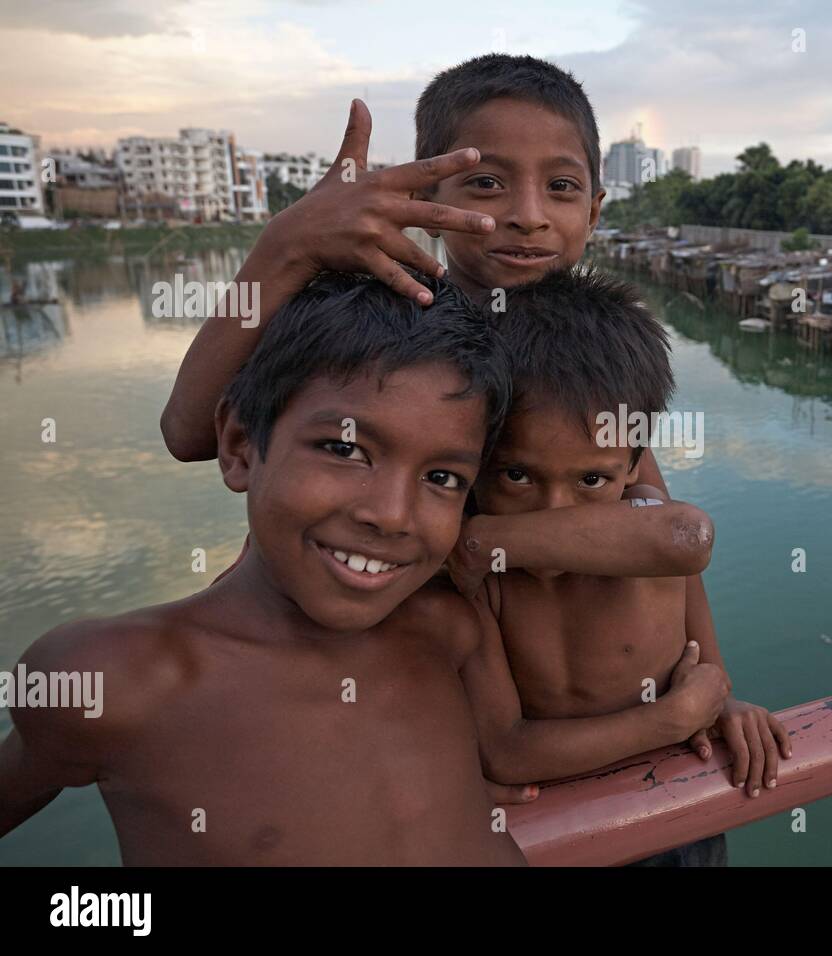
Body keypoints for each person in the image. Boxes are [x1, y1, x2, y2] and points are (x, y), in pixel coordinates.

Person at [0, 273, 525, 865]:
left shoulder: (445, 630)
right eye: (344, 449)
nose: (392, 515)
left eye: (442, 478)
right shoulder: (113, 681)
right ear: (240, 443)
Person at [447, 269, 792, 866]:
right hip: (554, 832)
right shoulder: (478, 585)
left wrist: (718, 704)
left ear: (635, 462)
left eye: (591, 480)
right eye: (516, 475)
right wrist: (677, 716)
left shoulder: (644, 544)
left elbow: (691, 555)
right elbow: (508, 752)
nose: (553, 515)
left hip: (678, 816)